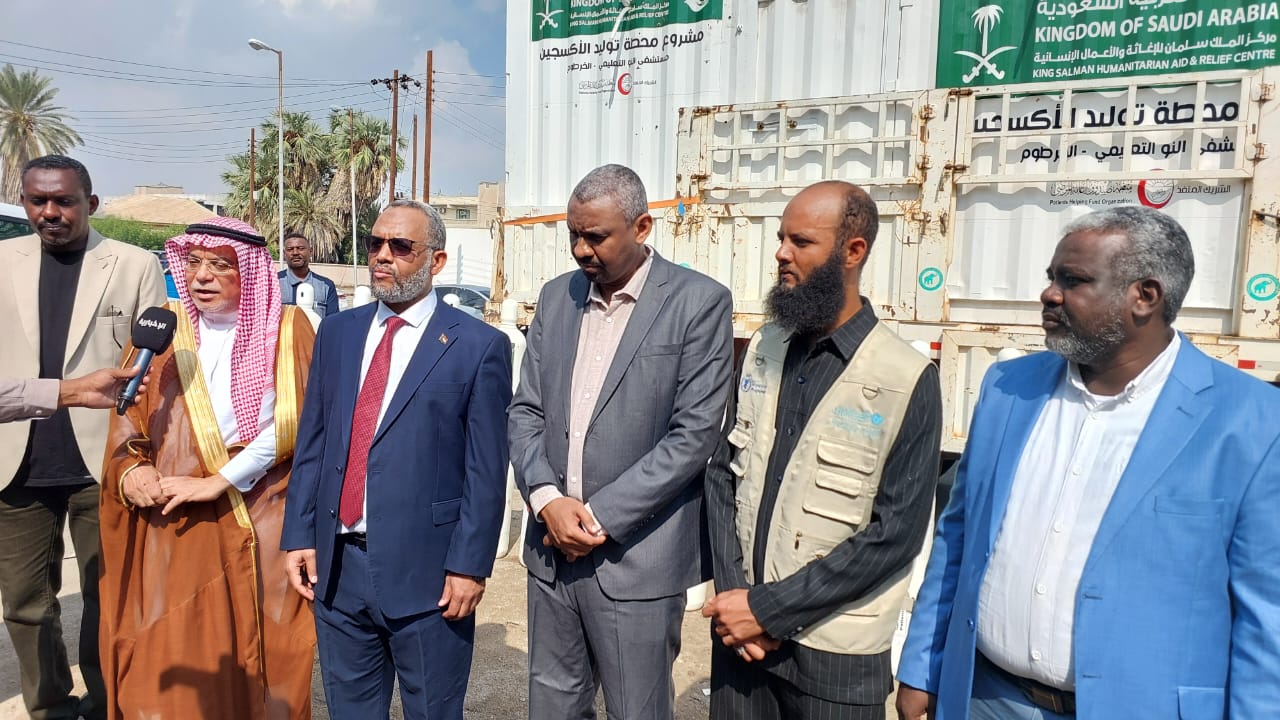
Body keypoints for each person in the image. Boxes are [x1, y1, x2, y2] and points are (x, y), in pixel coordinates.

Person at [896, 206, 1280, 720]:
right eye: (1052, 277)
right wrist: (922, 665)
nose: (1049, 294)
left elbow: (1266, 615)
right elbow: (958, 534)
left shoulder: (1251, 420)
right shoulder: (1008, 388)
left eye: (1072, 280)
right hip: (986, 697)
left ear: (1145, 296)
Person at [701, 180, 941, 719]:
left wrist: (768, 610)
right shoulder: (764, 347)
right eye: (781, 238)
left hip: (835, 659)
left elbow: (895, 534)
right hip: (742, 643)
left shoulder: (905, 376)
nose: (781, 253)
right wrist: (738, 600)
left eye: (801, 242)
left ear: (853, 252)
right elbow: (722, 475)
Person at [509, 164, 735, 719]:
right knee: (553, 707)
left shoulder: (698, 302)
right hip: (552, 551)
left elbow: (694, 435)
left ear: (642, 227)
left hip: (636, 560)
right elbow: (526, 411)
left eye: (595, 236)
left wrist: (596, 518)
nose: (580, 250)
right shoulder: (557, 297)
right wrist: (547, 500)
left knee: (636, 709)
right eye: (573, 234)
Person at [281, 200, 511, 720]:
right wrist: (299, 534)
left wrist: (469, 566)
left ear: (436, 260)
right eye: (376, 243)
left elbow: (486, 470)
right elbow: (314, 441)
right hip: (338, 571)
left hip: (428, 577)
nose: (383, 256)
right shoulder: (338, 333)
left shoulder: (478, 346)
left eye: (401, 246)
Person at [98, 217, 317, 718]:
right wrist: (132, 471)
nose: (201, 276)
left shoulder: (289, 329)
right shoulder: (163, 331)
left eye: (220, 266)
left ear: (251, 273)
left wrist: (220, 480)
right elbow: (127, 415)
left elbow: (298, 421)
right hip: (172, 512)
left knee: (265, 646)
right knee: (172, 636)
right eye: (194, 263)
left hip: (259, 511)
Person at [0, 154, 165, 720]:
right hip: (15, 463)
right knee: (25, 604)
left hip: (105, 465)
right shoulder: (2, 260)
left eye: (63, 201)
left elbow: (155, 371)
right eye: (37, 200)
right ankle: (49, 707)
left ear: (90, 204)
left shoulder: (135, 265)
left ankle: (105, 705)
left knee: (108, 598)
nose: (49, 212)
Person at [279, 231, 340, 317]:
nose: (295, 253)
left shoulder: (326, 286)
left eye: (301, 248)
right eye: (290, 249)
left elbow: (333, 321)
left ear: (310, 251)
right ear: (284, 254)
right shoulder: (273, 283)